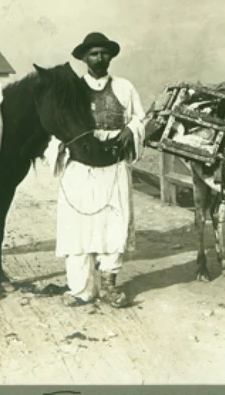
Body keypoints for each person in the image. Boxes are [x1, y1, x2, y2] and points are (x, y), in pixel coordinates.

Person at [44, 32, 146, 308]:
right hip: (79, 167)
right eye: (93, 54)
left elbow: (139, 118)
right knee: (78, 228)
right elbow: (55, 128)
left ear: (111, 56)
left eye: (104, 53)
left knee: (114, 224)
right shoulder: (71, 90)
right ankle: (82, 290)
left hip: (112, 166)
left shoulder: (124, 87)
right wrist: (63, 147)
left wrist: (130, 130)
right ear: (84, 58)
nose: (99, 58)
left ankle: (110, 286)